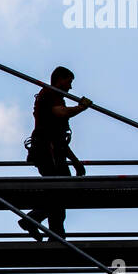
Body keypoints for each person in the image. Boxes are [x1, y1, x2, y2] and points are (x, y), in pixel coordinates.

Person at [19, 66, 92, 240]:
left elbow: (58, 138)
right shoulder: (51, 94)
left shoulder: (53, 96)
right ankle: (40, 223)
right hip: (47, 152)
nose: (70, 88)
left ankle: (52, 231)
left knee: (58, 192)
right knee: (61, 191)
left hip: (51, 151)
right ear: (60, 79)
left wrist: (75, 161)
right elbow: (60, 114)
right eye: (69, 82)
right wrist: (81, 107)